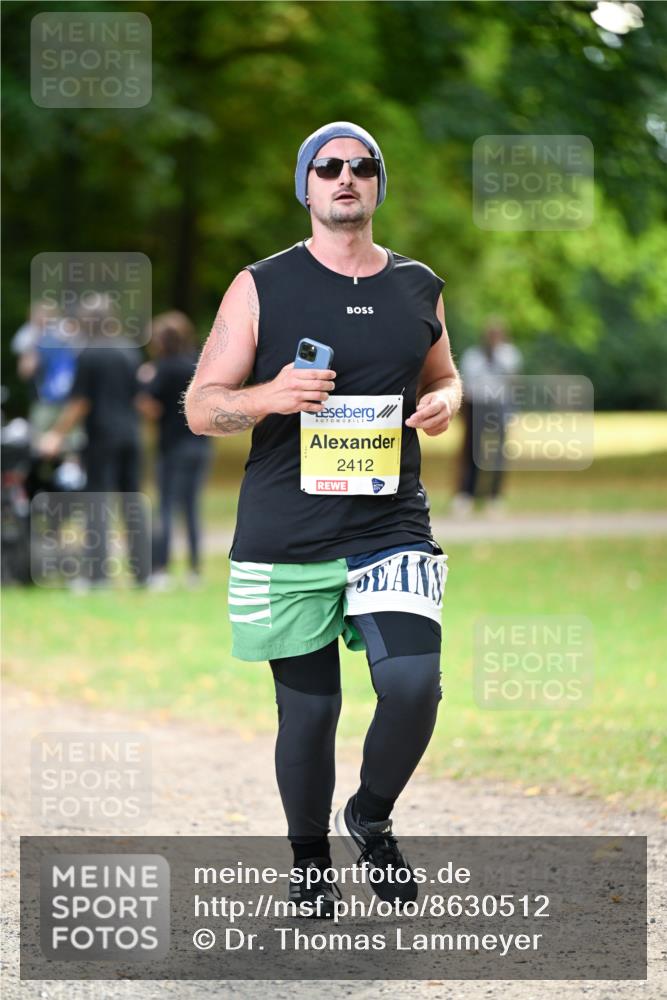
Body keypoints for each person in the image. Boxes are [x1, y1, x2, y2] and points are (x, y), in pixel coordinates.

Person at [185, 122, 462, 917]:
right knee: (309, 716)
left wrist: (445, 401)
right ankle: (309, 861)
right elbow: (202, 408)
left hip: (390, 525)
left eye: (362, 167)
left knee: (412, 684)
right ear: (305, 186)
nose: (346, 177)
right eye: (328, 167)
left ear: (378, 184)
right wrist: (271, 395)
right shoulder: (260, 285)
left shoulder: (419, 286)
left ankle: (369, 816)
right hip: (287, 531)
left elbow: (444, 375)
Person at [39, 297, 150, 588]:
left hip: (102, 438)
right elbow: (139, 399)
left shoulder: (89, 354)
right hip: (132, 437)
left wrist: (56, 434)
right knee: (132, 504)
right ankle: (143, 576)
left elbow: (80, 403)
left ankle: (98, 576)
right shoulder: (129, 350)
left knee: (97, 504)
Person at [136, 311, 212, 588]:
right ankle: (194, 570)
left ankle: (162, 569)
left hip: (172, 447)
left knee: (166, 507)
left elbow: (149, 406)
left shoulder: (163, 368)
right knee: (192, 508)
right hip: (201, 445)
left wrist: (144, 382)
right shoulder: (197, 366)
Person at [453, 320, 523, 516]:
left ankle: (495, 496)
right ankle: (466, 495)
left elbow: (514, 382)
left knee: (498, 453)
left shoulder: (509, 355)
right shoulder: (473, 356)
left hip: (499, 406)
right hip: (477, 406)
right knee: (472, 452)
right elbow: (466, 385)